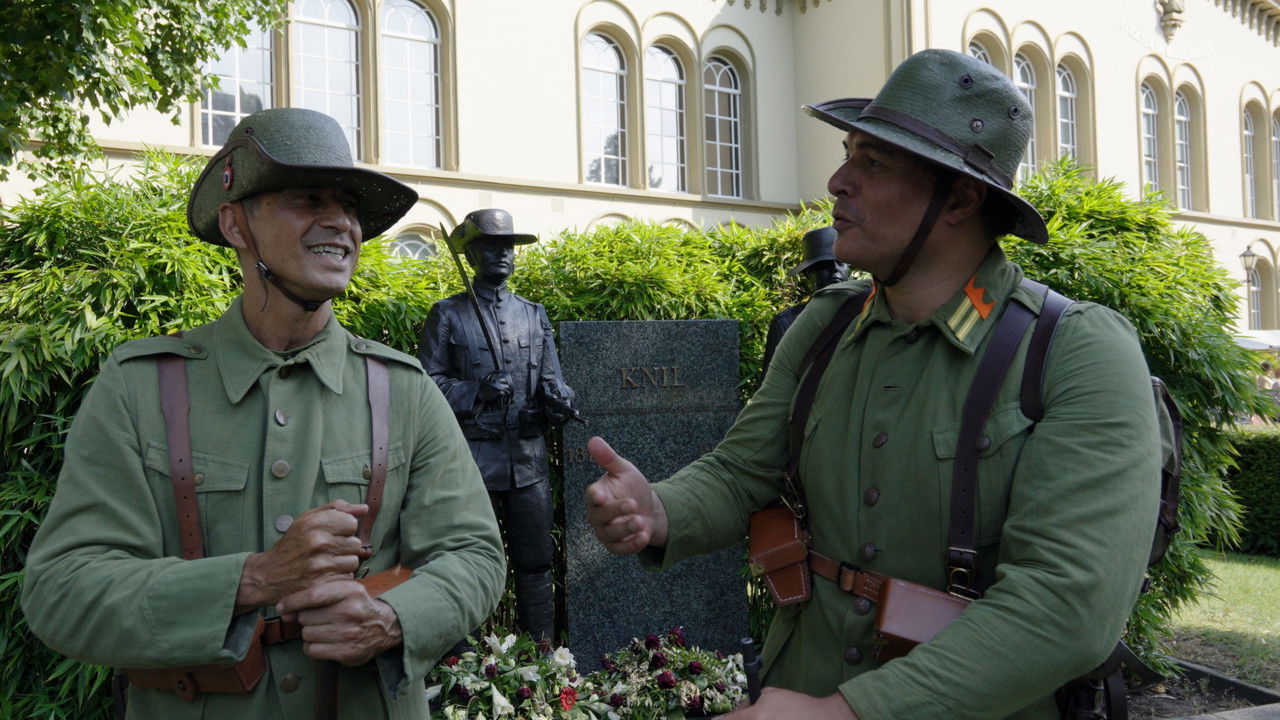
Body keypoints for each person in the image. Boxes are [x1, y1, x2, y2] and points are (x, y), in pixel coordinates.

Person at [584, 48, 1159, 719]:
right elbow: (743, 473)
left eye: (873, 163)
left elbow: (1066, 606)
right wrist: (659, 510)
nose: (837, 180)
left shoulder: (1076, 351)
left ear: (961, 198)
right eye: (848, 153)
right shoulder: (826, 327)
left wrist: (844, 713)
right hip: (799, 682)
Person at [21, 108, 506, 718]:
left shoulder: (403, 390)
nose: (340, 222)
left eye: (348, 205)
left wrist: (390, 618)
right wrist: (255, 578)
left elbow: (476, 557)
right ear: (236, 223)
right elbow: (61, 591)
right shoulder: (138, 388)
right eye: (306, 198)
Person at [417, 209, 577, 645]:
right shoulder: (448, 314)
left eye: (508, 246)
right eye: (491, 244)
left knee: (536, 562)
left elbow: (552, 382)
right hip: (473, 464)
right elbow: (427, 385)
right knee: (469, 562)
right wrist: (478, 391)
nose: (502, 253)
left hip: (528, 462)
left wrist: (558, 403)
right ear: (470, 254)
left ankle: (544, 661)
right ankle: (472, 668)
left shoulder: (533, 314)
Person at [762, 226, 850, 369]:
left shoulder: (865, 314)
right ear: (809, 274)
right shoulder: (787, 323)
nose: (835, 269)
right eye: (825, 264)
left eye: (840, 262)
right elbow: (769, 386)